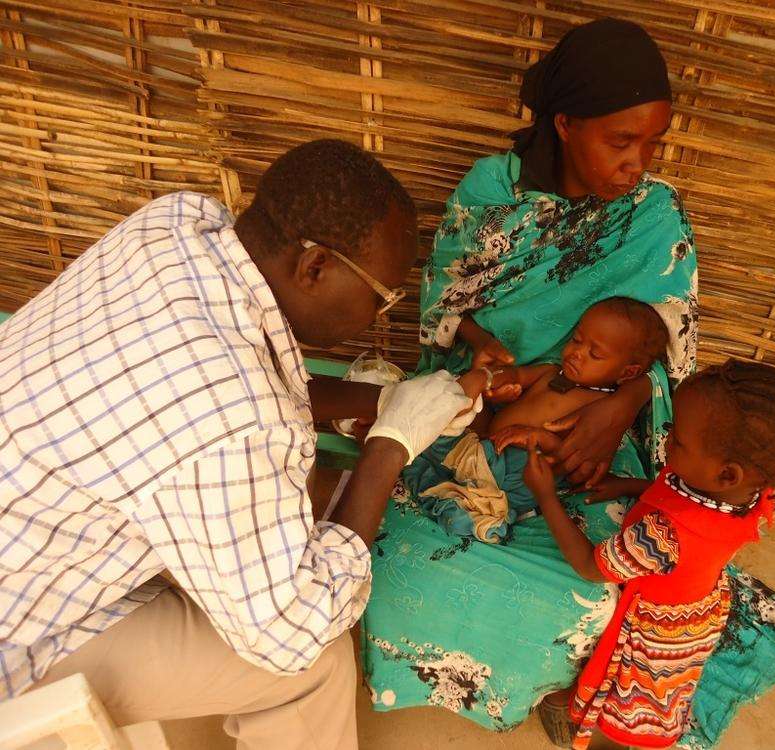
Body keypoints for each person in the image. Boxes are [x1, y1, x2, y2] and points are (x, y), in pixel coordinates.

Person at [361, 19, 775, 746]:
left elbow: (672, 349)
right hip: (487, 404)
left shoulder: (654, 214)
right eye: (621, 142)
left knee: (604, 585)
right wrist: (489, 356)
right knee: (402, 550)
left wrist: (622, 405)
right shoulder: (491, 194)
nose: (639, 164)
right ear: (565, 124)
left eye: (652, 145)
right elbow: (447, 310)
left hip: (611, 427)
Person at [0, 139, 475, 750]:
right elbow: (290, 632)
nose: (383, 313)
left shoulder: (175, 224)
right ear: (315, 268)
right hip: (19, 627)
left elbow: (242, 372)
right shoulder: (237, 421)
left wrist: (385, 403)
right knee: (315, 663)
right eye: (382, 295)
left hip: (34, 512)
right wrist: (390, 444)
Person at [520, 359, 775, 748]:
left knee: (624, 693)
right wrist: (631, 486)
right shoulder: (749, 493)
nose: (668, 436)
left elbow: (591, 567)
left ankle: (584, 719)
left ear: (726, 474)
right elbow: (682, 494)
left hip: (653, 628)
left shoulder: (664, 536)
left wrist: (545, 495)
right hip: (700, 598)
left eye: (677, 440)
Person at [404, 298, 669, 542]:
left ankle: (475, 513)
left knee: (477, 489)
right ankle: (435, 477)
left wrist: (539, 438)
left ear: (628, 372)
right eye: (576, 340)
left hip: (518, 475)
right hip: (486, 447)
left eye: (595, 354)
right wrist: (493, 382)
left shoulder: (597, 410)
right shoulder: (553, 372)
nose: (577, 352)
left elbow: (572, 464)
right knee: (441, 426)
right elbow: (517, 376)